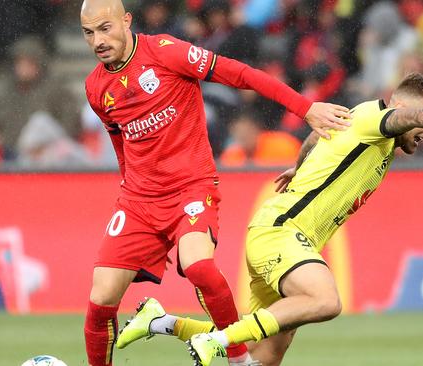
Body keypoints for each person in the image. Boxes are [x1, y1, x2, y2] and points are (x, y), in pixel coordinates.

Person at [116, 73, 423, 366]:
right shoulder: (376, 119)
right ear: (402, 107)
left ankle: (161, 321)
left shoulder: (360, 124)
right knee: (325, 301)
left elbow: (317, 134)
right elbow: (414, 119)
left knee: (264, 356)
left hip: (280, 235)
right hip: (283, 233)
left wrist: (301, 167)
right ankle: (217, 340)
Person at [79, 1, 351, 366]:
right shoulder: (96, 87)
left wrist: (305, 108)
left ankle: (238, 361)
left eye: (105, 27)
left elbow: (242, 74)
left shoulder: (166, 52)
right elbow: (120, 141)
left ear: (126, 21)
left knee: (199, 267)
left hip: (190, 188)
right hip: (138, 200)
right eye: (89, 33)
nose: (98, 39)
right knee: (100, 301)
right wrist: (129, 186)